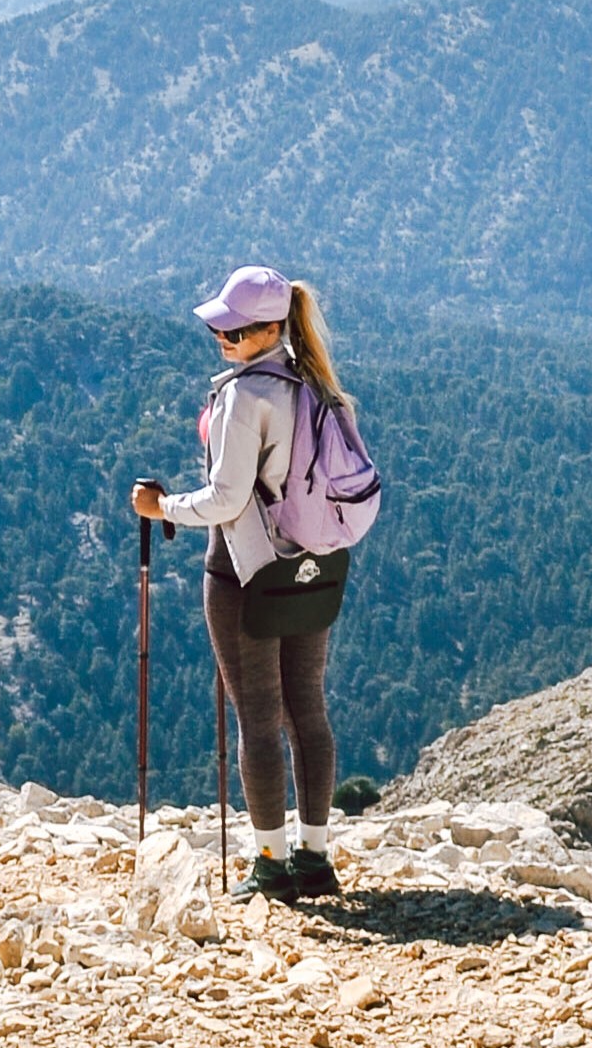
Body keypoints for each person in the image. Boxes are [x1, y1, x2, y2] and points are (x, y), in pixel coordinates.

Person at [130, 262, 351, 901]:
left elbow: (226, 501)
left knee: (257, 717)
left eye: (230, 333)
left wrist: (161, 509)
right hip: (315, 565)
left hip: (244, 572)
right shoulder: (315, 385)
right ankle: (314, 857)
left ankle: (269, 865)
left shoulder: (243, 396)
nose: (221, 342)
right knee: (308, 709)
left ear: (267, 330)